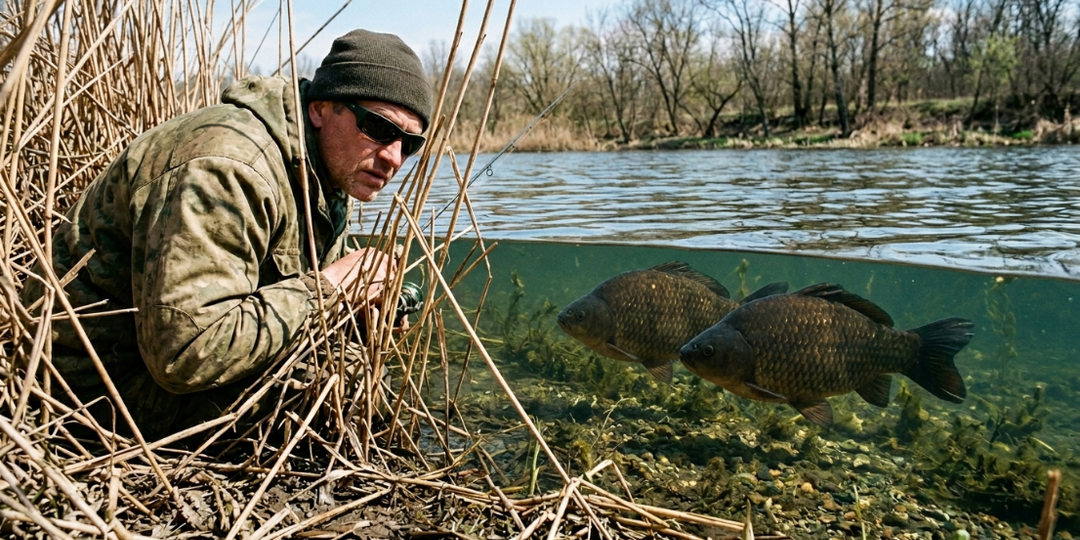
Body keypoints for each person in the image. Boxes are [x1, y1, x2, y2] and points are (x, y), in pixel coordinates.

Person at [20, 29, 434, 439]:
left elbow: (279, 296)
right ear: (320, 109)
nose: (394, 157)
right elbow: (185, 353)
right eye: (379, 129)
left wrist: (356, 315)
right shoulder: (230, 167)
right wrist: (331, 288)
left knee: (352, 367)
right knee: (330, 392)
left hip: (142, 369)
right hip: (86, 392)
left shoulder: (321, 172)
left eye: (410, 144)